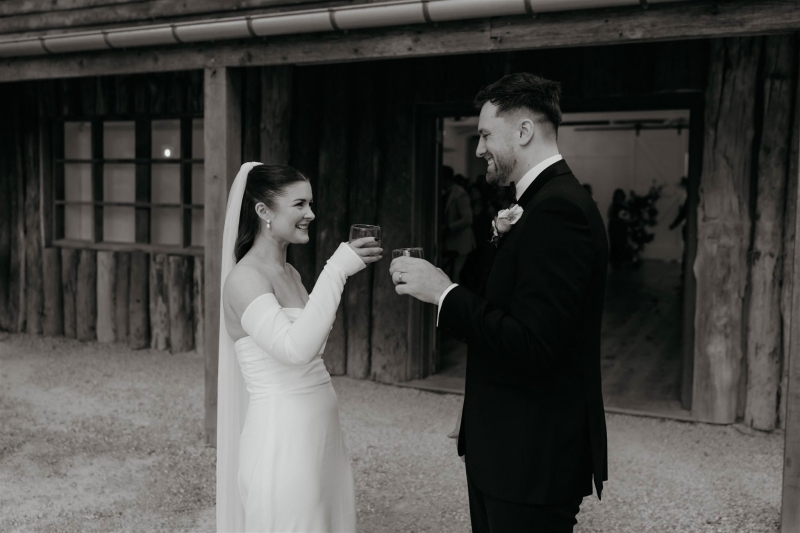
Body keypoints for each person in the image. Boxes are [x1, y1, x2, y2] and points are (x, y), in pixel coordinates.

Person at [389, 73, 608, 532]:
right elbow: (507, 312)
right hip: (508, 445)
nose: (478, 149)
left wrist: (443, 292)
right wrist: (478, 411)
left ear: (524, 131)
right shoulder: (538, 202)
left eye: (486, 134)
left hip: (531, 460)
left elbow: (533, 343)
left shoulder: (559, 210)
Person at [216, 162, 382, 533]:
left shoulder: (290, 273)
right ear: (264, 211)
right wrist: (336, 270)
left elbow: (314, 340)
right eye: (299, 204)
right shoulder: (245, 278)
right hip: (283, 436)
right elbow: (295, 350)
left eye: (310, 203)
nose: (311, 214)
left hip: (321, 431)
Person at [442, 168, 476, 283]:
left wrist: (449, 227)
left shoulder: (460, 194)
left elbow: (467, 219)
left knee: (455, 274)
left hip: (461, 242)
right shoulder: (447, 193)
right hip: (451, 242)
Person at [607, 188, 631, 269]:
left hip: (621, 227)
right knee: (615, 243)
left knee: (622, 243)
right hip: (614, 226)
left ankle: (620, 261)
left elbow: (628, 216)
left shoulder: (624, 205)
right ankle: (615, 262)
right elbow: (610, 215)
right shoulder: (613, 205)